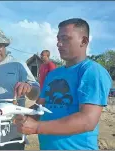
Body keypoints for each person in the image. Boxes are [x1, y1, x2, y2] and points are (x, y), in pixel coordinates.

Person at [14, 18, 112, 150]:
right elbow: (40, 105)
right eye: (58, 39)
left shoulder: (91, 71)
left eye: (65, 39)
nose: (59, 44)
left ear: (84, 41)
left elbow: (88, 120)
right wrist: (20, 113)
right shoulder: (54, 74)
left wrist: (37, 127)